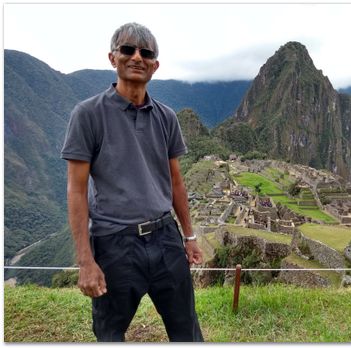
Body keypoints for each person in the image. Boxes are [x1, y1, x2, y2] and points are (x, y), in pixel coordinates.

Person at [61, 22, 204, 342]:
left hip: (165, 237)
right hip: (115, 242)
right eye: (128, 50)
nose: (137, 57)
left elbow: (176, 183)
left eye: (146, 52)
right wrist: (85, 260)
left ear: (155, 64)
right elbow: (76, 190)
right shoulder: (88, 115)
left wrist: (189, 235)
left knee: (186, 329)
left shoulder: (166, 116)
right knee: (110, 333)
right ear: (113, 58)